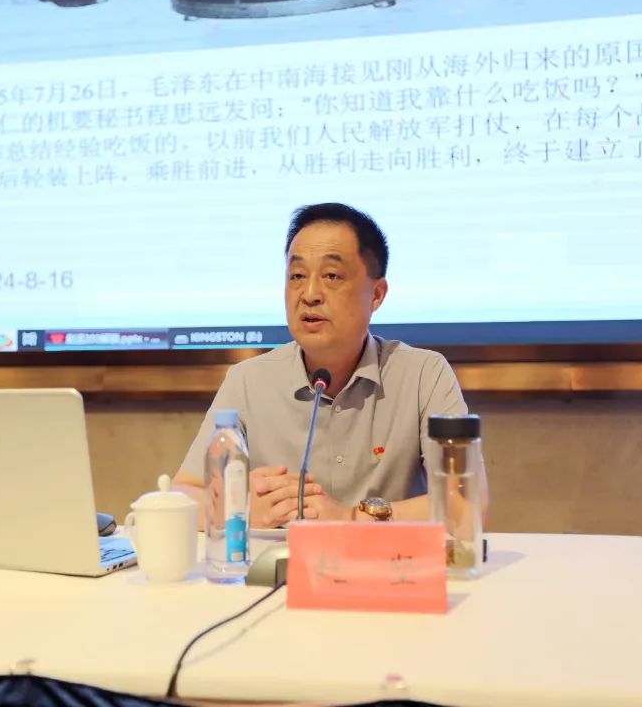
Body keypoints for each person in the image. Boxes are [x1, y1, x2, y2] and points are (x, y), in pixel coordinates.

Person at [173, 203, 488, 528]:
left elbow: (467, 503)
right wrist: (238, 508)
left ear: (377, 294)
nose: (309, 294)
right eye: (297, 276)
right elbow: (183, 493)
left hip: (388, 558)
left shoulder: (424, 375)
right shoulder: (248, 380)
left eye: (331, 276)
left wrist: (351, 517)